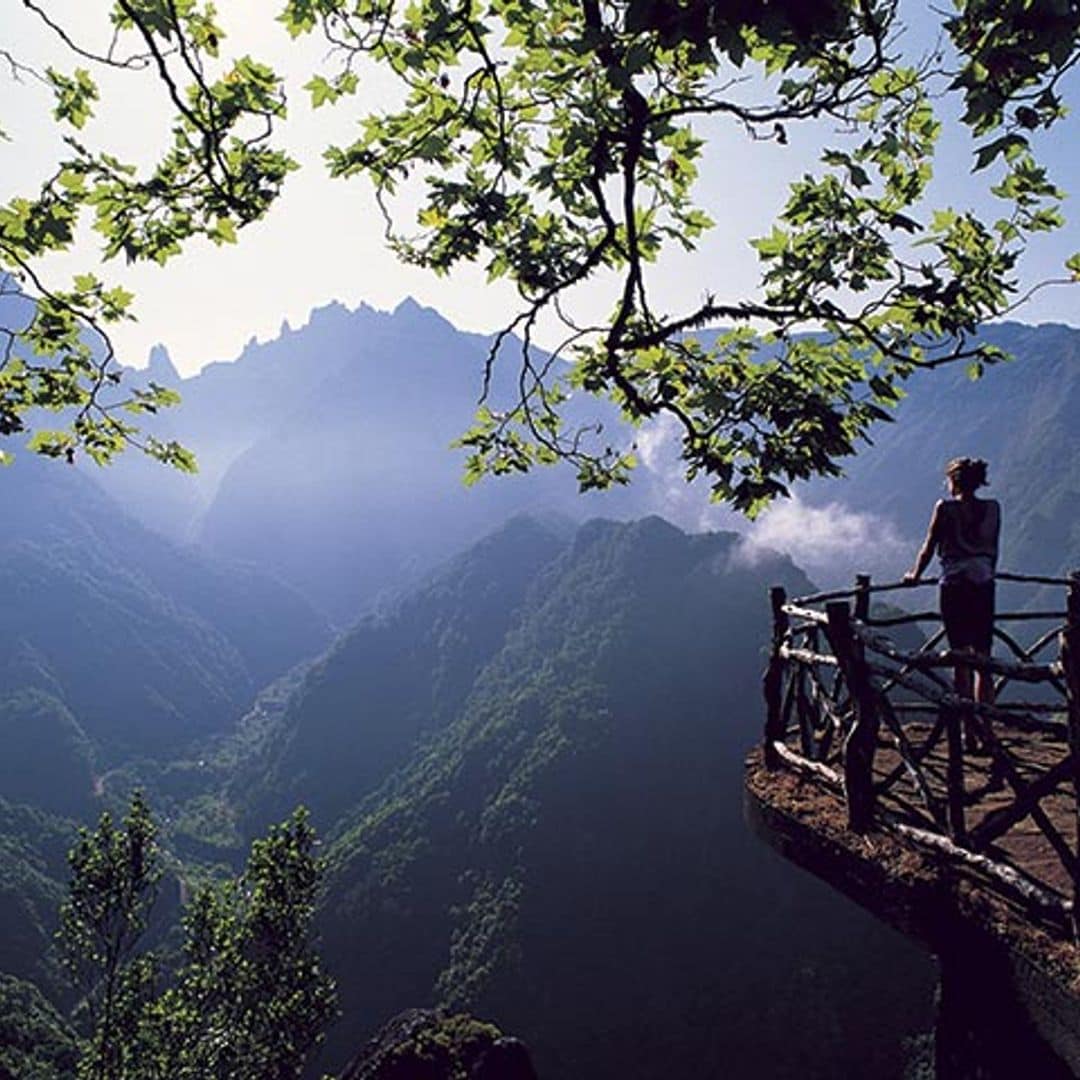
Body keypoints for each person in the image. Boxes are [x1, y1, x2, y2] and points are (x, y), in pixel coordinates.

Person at [904, 457, 1001, 711]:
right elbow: (993, 549)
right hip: (983, 582)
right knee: (984, 659)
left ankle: (968, 727)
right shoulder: (993, 508)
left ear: (953, 481)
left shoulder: (945, 509)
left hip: (955, 585)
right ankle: (987, 726)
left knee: (960, 658)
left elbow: (929, 546)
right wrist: (989, 573)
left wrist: (915, 574)